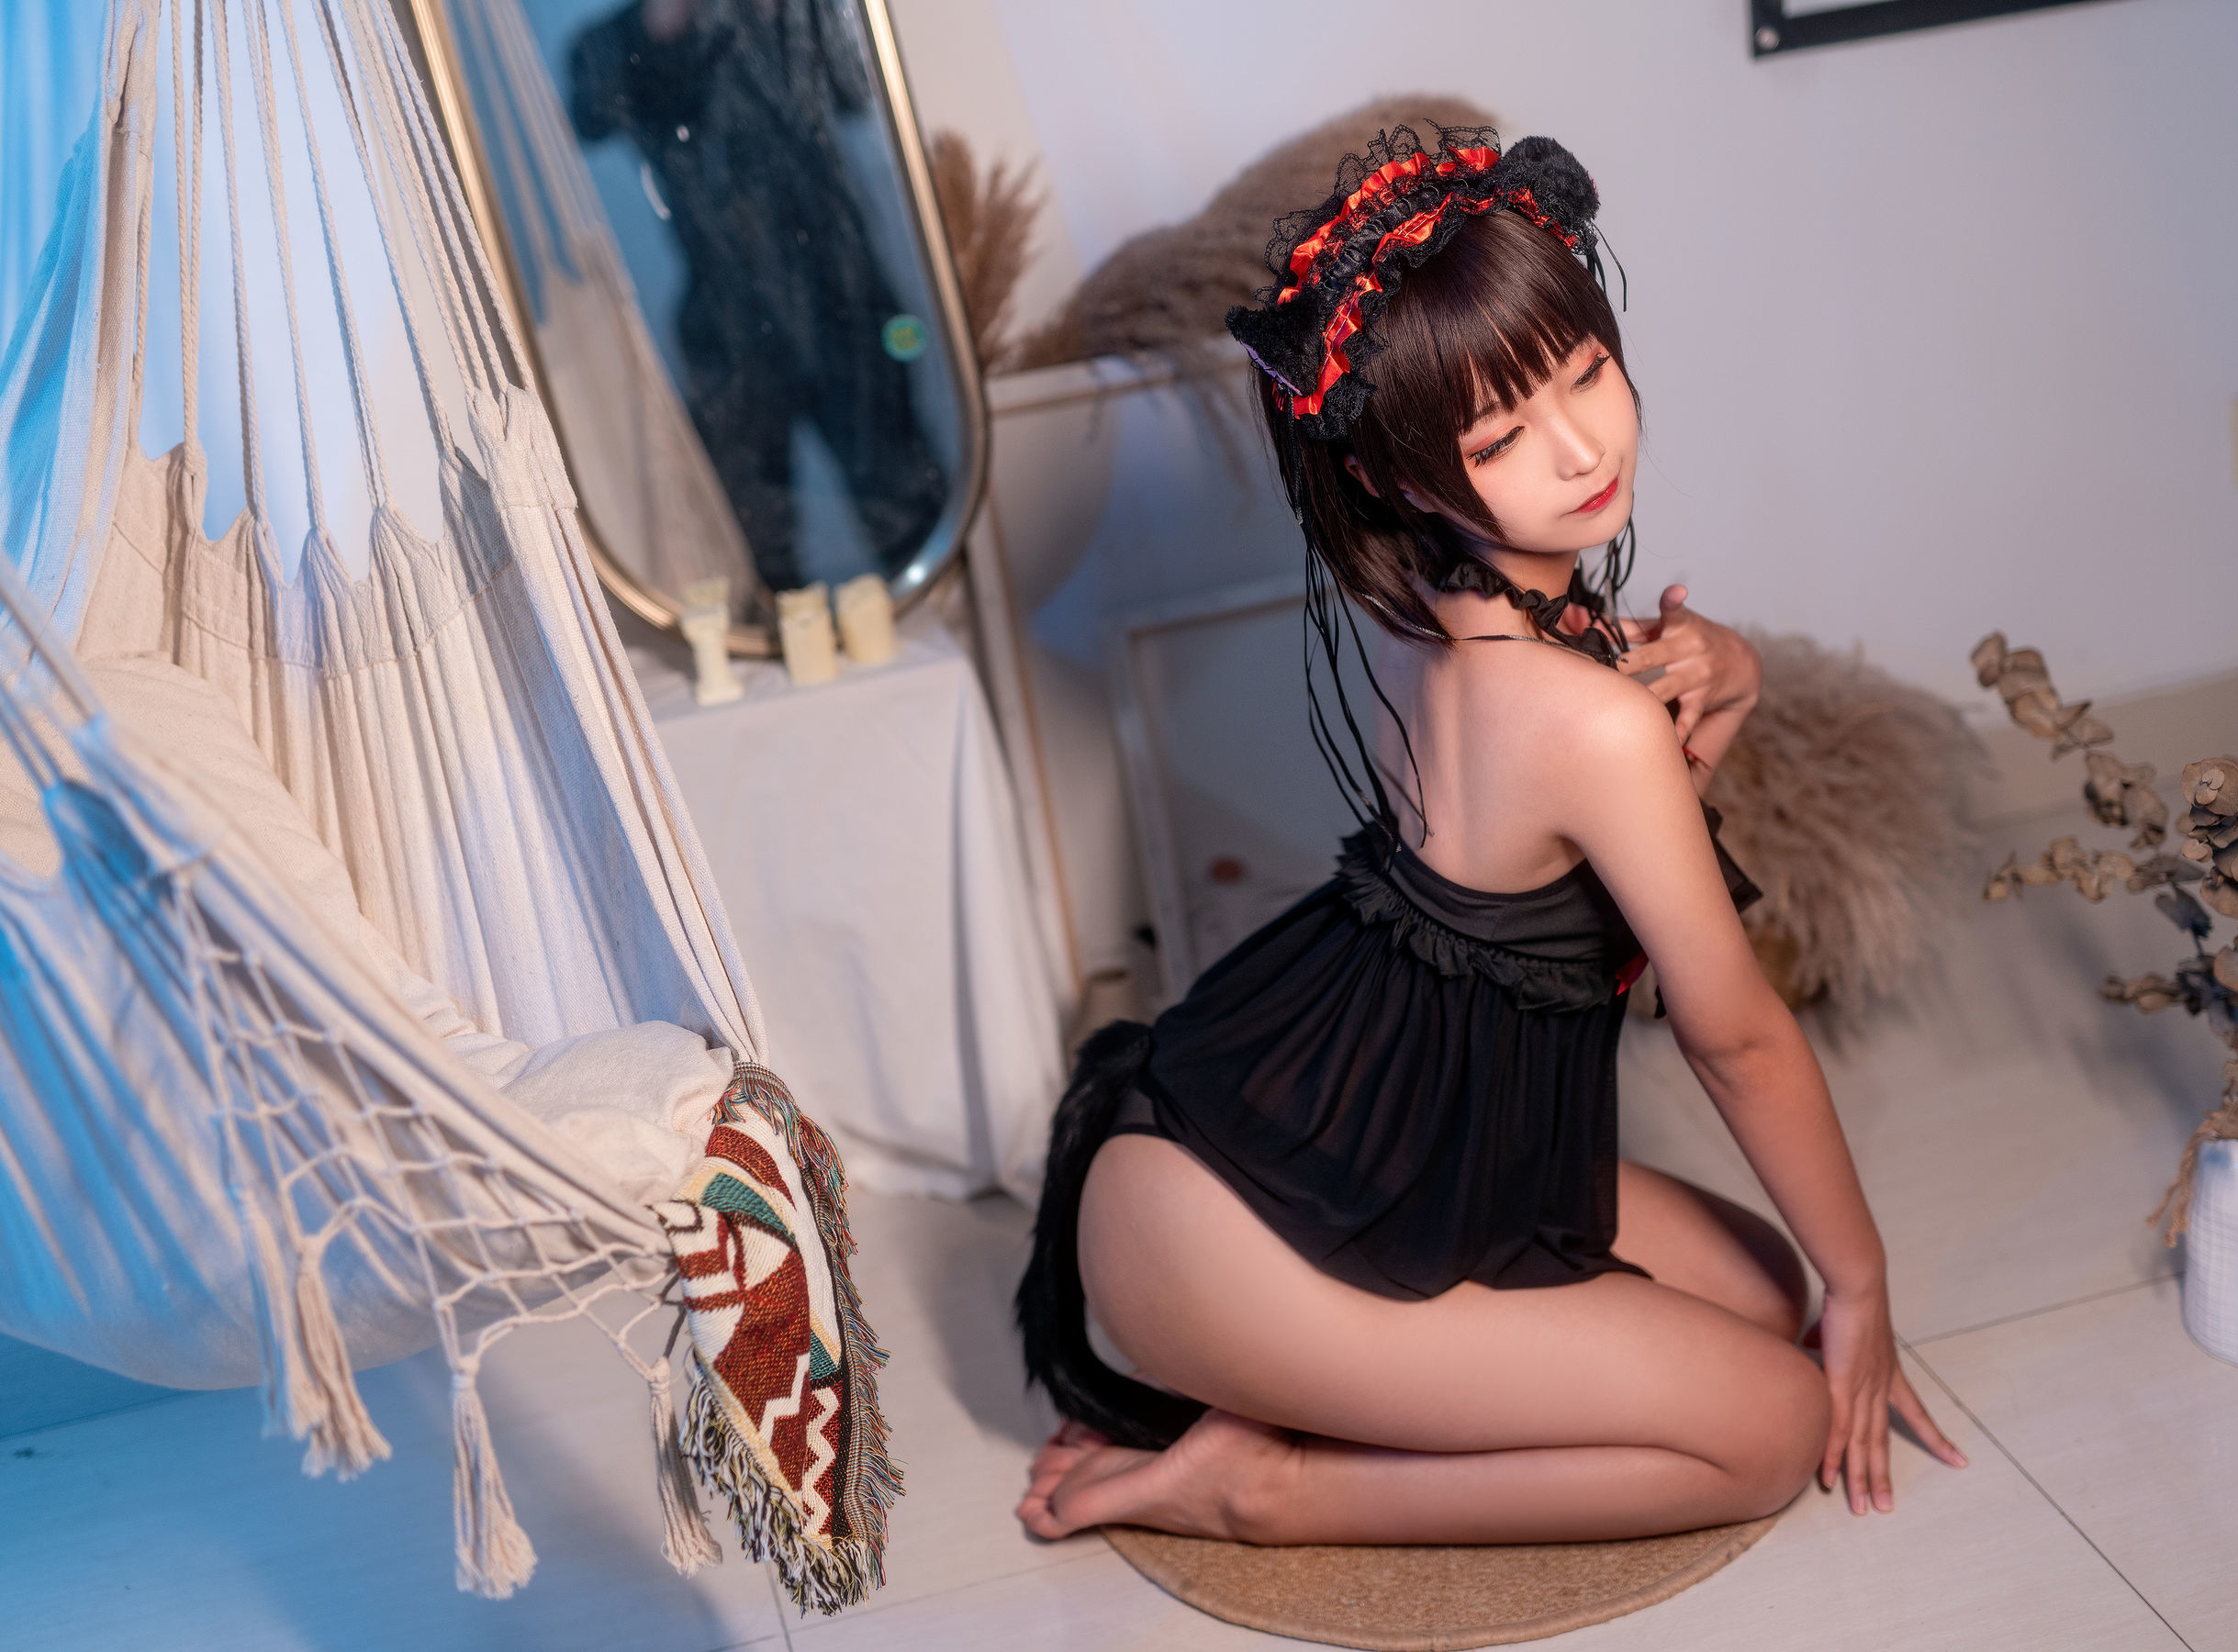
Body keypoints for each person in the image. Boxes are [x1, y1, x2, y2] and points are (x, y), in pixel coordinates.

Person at [1013, 126, 1965, 1547]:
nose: (1579, 448)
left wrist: (1731, 671)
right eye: (1499, 436)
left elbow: (1606, 798)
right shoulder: (1580, 720)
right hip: (1224, 1242)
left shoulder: (1426, 605)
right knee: (1769, 1426)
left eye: (1581, 372)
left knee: (1762, 1290)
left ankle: (1298, 1401)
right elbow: (1736, 1038)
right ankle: (1262, 1485)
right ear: (1402, 477)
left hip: (1337, 1138)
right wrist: (1866, 1281)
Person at [569, 0, 946, 592]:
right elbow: (589, 115)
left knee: (907, 506)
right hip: (730, 323)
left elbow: (856, 89)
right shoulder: (616, 43)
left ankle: (933, 614)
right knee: (754, 552)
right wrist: (661, 25)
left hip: (843, 296)